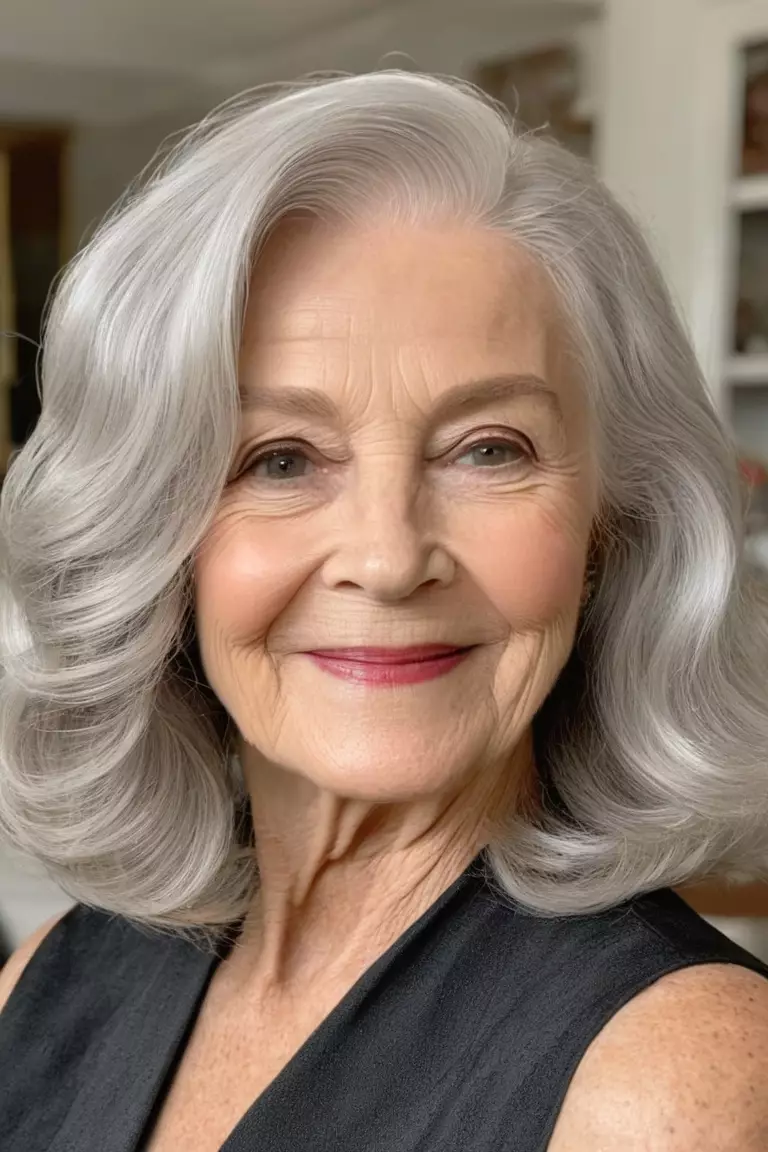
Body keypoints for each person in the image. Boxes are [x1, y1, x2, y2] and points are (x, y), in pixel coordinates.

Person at [0, 71, 767, 1152]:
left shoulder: (672, 1084)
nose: (389, 556)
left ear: (611, 525)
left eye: (489, 449)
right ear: (156, 542)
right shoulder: (49, 986)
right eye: (279, 459)